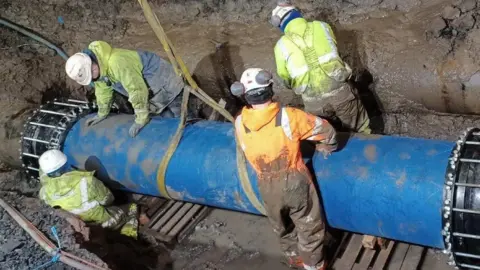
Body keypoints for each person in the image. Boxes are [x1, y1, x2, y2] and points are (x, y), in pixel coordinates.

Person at [230, 68, 337, 270]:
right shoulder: (289, 116)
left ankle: (294, 258)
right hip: (294, 180)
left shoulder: (239, 122)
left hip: (265, 184)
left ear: (244, 95)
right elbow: (327, 131)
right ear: (270, 89)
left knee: (281, 225)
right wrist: (327, 147)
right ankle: (313, 265)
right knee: (308, 224)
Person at [270, 1, 371, 133]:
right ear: (297, 13)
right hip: (340, 92)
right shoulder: (322, 26)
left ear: (281, 25)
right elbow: (334, 49)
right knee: (360, 129)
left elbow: (286, 80)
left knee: (326, 137)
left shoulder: (280, 46)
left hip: (313, 102)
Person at [65, 40, 195, 137]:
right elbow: (103, 91)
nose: (93, 79)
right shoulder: (99, 69)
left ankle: (197, 132)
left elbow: (137, 90)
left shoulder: (116, 62)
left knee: (185, 119)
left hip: (165, 81)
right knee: (165, 120)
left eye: (92, 74)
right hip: (152, 90)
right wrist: (102, 113)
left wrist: (141, 119)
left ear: (92, 66)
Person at [38, 149, 139, 238]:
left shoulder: (44, 192)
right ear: (66, 164)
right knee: (132, 207)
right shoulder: (87, 181)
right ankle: (128, 237)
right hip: (101, 224)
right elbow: (108, 200)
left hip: (76, 225)